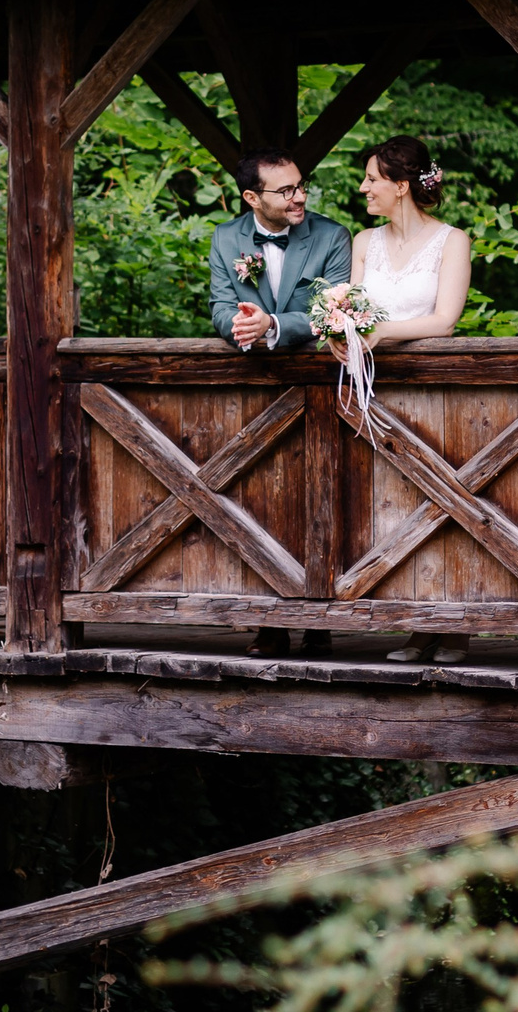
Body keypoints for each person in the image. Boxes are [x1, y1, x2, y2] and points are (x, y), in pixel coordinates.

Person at [206, 148, 350, 658]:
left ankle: (319, 623)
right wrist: (241, 325)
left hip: (320, 389)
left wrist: (274, 326)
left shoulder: (332, 236)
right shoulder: (226, 238)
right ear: (252, 197)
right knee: (255, 506)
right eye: (285, 190)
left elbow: (333, 309)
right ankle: (268, 621)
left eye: (301, 185)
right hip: (255, 388)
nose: (299, 196)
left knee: (321, 502)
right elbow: (219, 305)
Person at [344, 136, 478, 664]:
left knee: (444, 508)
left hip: (433, 393)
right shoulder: (364, 242)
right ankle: (415, 625)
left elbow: (444, 320)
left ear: (401, 186)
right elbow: (353, 310)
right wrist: (342, 332)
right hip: (375, 392)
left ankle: (455, 626)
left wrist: (380, 333)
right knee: (391, 508)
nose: (364, 188)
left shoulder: (452, 241)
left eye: (372, 178)